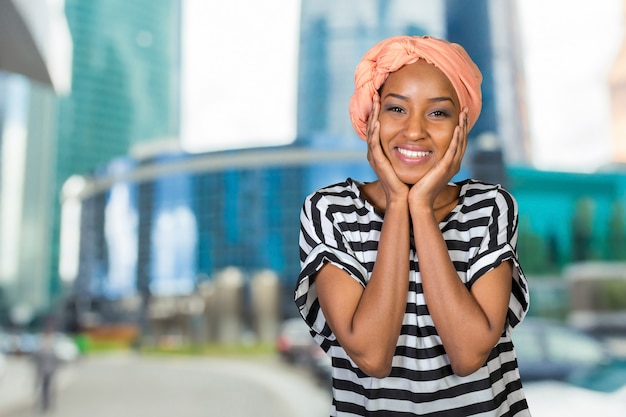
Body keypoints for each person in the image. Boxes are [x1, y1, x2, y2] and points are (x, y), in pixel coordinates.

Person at [295, 35, 530, 416]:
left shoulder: (490, 207)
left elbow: (469, 354)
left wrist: (418, 206)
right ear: (372, 116)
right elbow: (372, 355)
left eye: (437, 113)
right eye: (396, 109)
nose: (415, 131)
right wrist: (398, 204)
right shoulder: (331, 210)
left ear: (462, 124)